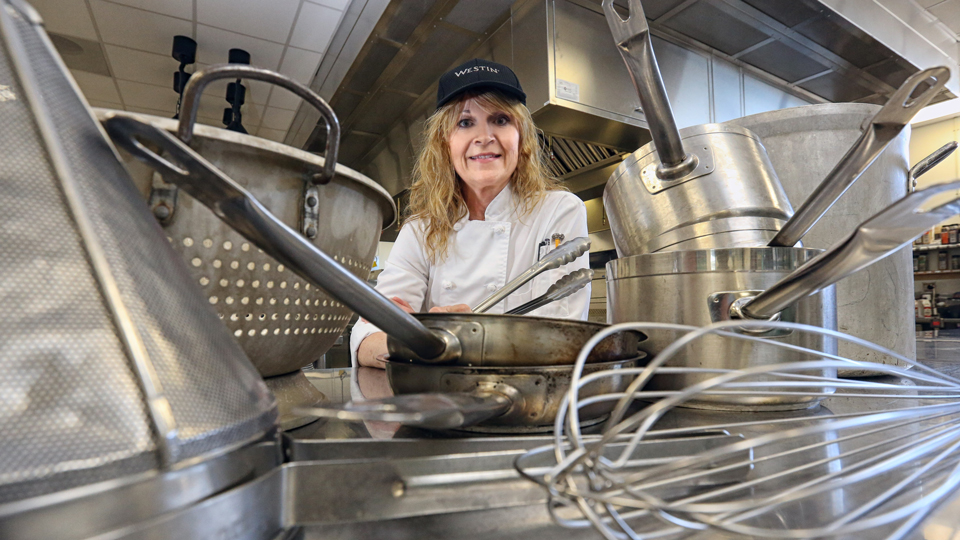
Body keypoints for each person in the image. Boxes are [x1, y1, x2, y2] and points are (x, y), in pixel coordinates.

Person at [349, 58, 591, 399]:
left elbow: (560, 337)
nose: (484, 137)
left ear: (521, 139)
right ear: (444, 143)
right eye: (465, 122)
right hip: (438, 409)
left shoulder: (558, 211)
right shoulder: (420, 231)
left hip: (530, 405)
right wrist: (418, 341)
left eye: (501, 120)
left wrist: (453, 339)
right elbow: (365, 338)